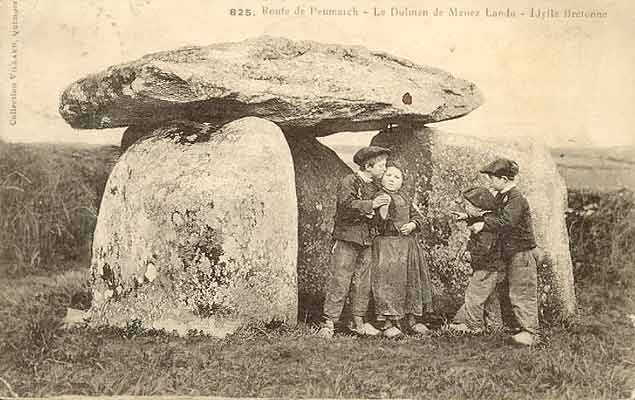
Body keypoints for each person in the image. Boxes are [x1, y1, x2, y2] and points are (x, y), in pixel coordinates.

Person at [317, 146, 392, 338]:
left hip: (366, 241)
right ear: (368, 165)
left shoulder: (376, 188)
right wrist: (371, 205)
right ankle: (329, 321)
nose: (384, 169)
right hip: (346, 238)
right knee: (340, 278)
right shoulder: (349, 181)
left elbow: (377, 219)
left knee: (363, 282)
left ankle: (357, 319)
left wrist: (382, 211)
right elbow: (345, 206)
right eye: (381, 165)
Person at [471, 158, 539, 346]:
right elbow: (493, 215)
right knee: (511, 290)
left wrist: (483, 224)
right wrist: (471, 218)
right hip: (511, 252)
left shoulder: (516, 199)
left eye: (492, 178)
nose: (490, 182)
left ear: (503, 179)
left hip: (521, 253)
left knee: (522, 290)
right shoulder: (504, 197)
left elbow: (507, 222)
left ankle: (531, 332)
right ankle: (518, 327)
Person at [371, 163, 433, 338]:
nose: (392, 179)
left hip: (407, 246)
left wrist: (413, 224)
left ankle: (412, 319)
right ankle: (388, 323)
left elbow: (417, 216)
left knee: (411, 280)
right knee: (388, 282)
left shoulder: (404, 197)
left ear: (402, 182)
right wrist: (382, 212)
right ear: (382, 178)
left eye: (397, 177)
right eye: (389, 175)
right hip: (387, 246)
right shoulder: (379, 196)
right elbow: (378, 222)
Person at [449, 186, 505, 334]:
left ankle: (474, 326)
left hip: (486, 267)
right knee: (489, 296)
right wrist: (466, 216)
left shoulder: (485, 228)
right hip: (494, 267)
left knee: (474, 295)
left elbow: (485, 248)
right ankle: (495, 326)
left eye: (468, 206)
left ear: (480, 209)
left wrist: (471, 256)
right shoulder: (489, 219)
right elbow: (479, 218)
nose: (465, 208)